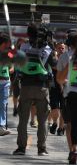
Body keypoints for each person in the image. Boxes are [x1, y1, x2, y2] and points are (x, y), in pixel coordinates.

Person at [13, 24, 56, 155]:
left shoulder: (24, 47)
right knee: (42, 120)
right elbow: (54, 65)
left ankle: (21, 148)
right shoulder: (47, 49)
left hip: (26, 86)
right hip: (42, 87)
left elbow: (18, 65)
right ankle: (41, 148)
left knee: (23, 120)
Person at [56, 31, 77, 157]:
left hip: (68, 94)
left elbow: (58, 78)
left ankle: (73, 150)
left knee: (69, 124)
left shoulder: (64, 57)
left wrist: (63, 83)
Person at [48, 42, 65, 135]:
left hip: (65, 87)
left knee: (63, 108)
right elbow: (55, 66)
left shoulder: (68, 59)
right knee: (54, 107)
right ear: (56, 49)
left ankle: (61, 128)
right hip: (54, 86)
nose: (61, 50)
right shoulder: (54, 58)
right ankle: (55, 123)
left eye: (63, 48)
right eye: (59, 48)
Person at [0, 33, 11, 136]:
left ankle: (1, 126)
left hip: (5, 81)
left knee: (3, 104)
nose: (9, 44)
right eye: (8, 43)